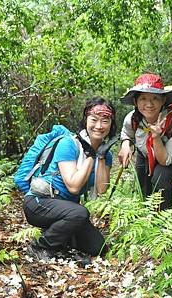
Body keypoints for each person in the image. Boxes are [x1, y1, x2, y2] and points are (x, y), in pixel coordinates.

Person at [23, 97, 116, 262]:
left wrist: (100, 157)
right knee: (80, 213)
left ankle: (62, 240)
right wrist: (90, 156)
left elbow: (102, 189)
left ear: (111, 124)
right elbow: (73, 186)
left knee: (98, 247)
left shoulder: (105, 154)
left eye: (105, 121)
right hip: (40, 202)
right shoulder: (69, 144)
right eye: (94, 120)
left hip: (67, 209)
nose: (99, 126)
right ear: (85, 120)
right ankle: (40, 247)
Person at [117, 73, 172, 210]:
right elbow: (126, 133)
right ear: (135, 102)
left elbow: (166, 160)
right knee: (143, 184)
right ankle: (146, 218)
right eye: (143, 98)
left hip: (169, 158)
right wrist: (125, 145)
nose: (149, 104)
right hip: (144, 154)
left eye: (155, 98)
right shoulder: (132, 118)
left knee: (161, 177)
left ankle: (164, 220)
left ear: (163, 100)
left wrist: (156, 137)